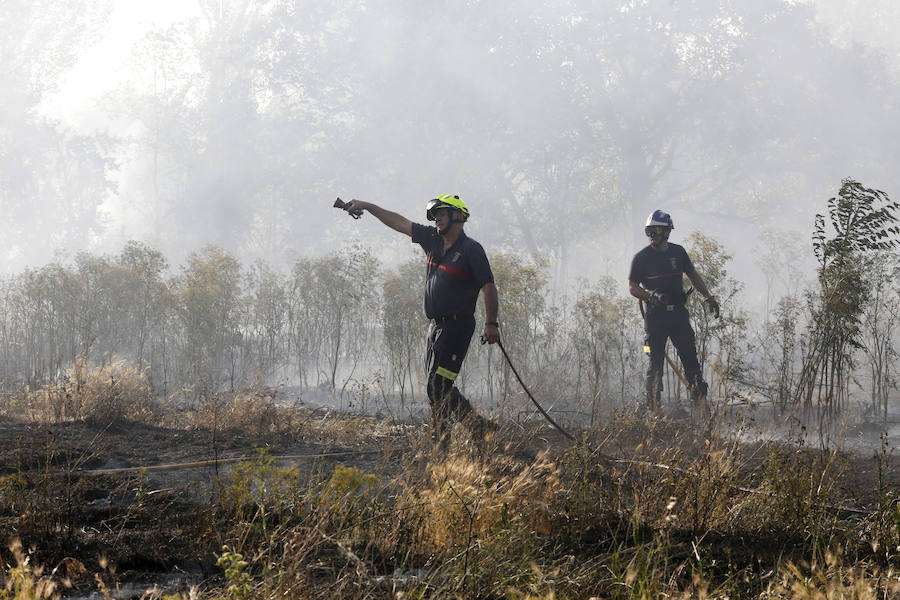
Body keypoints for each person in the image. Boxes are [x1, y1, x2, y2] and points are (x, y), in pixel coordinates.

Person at [344, 194, 500, 446]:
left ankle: (443, 442)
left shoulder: (471, 250)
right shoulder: (432, 240)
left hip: (457, 326)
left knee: (438, 385)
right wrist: (368, 206)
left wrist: (491, 323)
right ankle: (478, 428)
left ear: (457, 216)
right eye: (434, 214)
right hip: (435, 327)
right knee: (436, 386)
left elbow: (489, 286)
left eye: (442, 213)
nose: (436, 218)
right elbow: (399, 222)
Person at [627, 210, 720, 413]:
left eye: (656, 230)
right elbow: (632, 287)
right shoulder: (641, 258)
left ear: (667, 231)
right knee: (654, 366)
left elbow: (694, 276)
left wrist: (709, 297)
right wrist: (651, 296)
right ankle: (654, 415)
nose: (652, 235)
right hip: (654, 320)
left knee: (691, 363)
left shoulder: (678, 253)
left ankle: (702, 411)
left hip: (678, 316)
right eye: (648, 231)